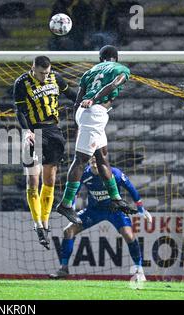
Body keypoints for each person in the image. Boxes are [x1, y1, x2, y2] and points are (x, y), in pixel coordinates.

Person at [56, 45, 137, 224]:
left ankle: (115, 198)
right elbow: (114, 84)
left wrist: (79, 121)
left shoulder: (89, 72)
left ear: (101, 59)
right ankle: (66, 203)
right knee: (81, 160)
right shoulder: (121, 68)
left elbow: (77, 100)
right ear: (115, 57)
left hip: (87, 113)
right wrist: (94, 100)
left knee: (103, 159)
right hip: (95, 112)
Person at [50, 157, 152, 280]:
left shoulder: (114, 173)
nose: (93, 158)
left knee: (129, 236)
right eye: (91, 156)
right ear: (87, 159)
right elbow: (74, 192)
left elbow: (131, 188)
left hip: (115, 211)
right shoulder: (84, 174)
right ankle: (63, 269)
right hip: (94, 211)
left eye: (96, 156)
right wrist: (71, 207)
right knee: (68, 231)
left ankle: (139, 271)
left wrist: (141, 209)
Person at [13, 56, 77, 249]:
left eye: (46, 73)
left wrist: (88, 100)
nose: (44, 76)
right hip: (34, 132)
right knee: (33, 181)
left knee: (49, 181)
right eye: (41, 73)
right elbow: (19, 110)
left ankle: (45, 223)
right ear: (33, 68)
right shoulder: (22, 82)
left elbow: (73, 95)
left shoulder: (56, 78)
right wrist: (27, 132)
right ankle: (37, 224)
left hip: (53, 131)